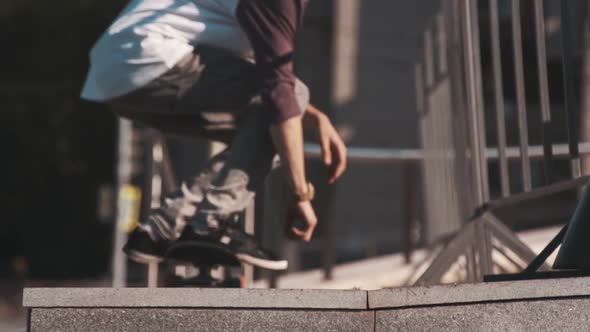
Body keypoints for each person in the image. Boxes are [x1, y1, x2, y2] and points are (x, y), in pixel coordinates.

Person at [81, 0, 347, 270]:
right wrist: (300, 193)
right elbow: (279, 94)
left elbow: (271, 78)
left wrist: (316, 117)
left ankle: (162, 228)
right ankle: (209, 225)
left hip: (118, 75)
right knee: (284, 114)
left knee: (269, 133)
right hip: (152, 58)